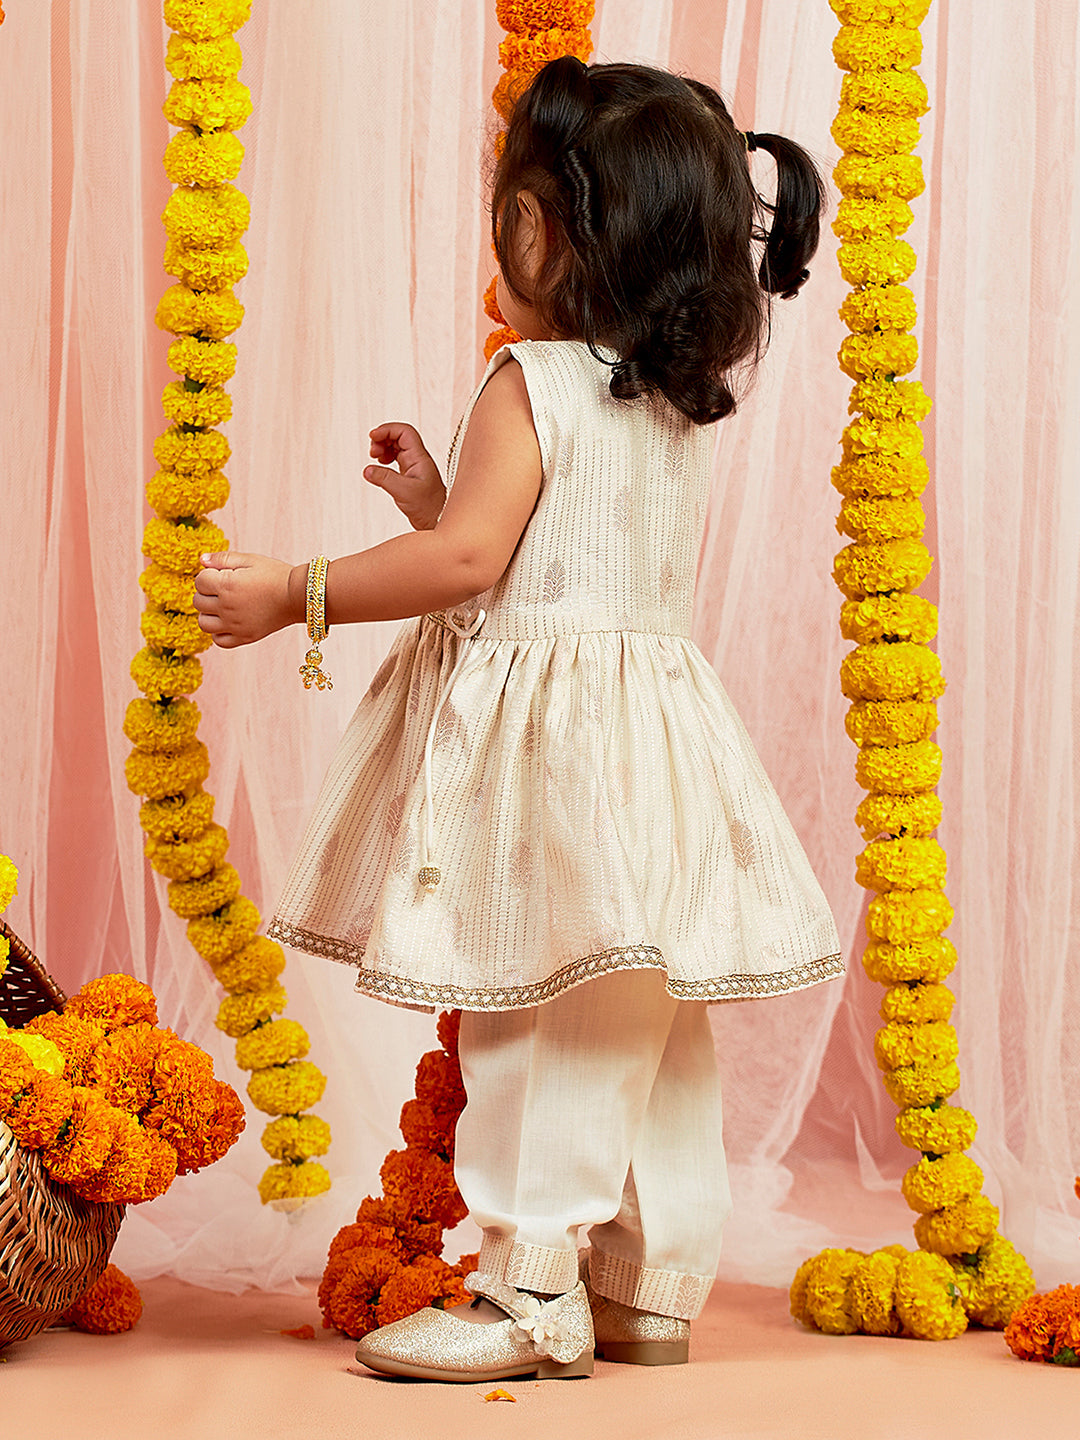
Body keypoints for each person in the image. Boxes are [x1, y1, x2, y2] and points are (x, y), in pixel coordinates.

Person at [195, 56, 842, 1384]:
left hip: (554, 760)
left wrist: (295, 592)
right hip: (653, 747)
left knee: (537, 1011)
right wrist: (435, 498)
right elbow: (545, 561)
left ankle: (526, 1290)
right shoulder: (674, 395)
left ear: (542, 229)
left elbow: (469, 568)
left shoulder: (530, 382)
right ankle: (648, 1288)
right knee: (644, 1014)